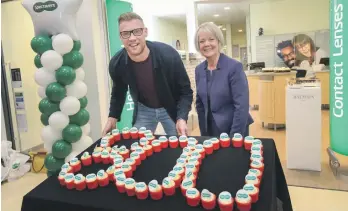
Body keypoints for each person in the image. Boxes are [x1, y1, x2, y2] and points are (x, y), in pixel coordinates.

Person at [102, 12, 193, 136]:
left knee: (179, 147)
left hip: (172, 107)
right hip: (144, 109)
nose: (132, 38)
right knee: (137, 147)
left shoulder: (168, 55)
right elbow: (118, 92)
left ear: (145, 32)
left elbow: (186, 92)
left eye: (137, 31)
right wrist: (112, 117)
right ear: (120, 37)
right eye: (126, 33)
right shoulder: (117, 63)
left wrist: (182, 117)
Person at [194, 22, 253, 137]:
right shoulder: (199, 70)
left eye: (211, 39)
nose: (206, 44)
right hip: (209, 129)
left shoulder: (234, 67)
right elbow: (200, 103)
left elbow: (241, 106)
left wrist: (234, 137)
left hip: (234, 128)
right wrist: (204, 133)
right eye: (202, 41)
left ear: (218, 41)